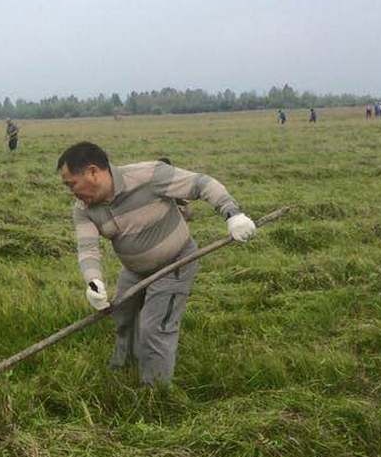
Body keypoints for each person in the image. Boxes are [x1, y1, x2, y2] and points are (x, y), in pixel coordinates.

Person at [58, 141, 256, 386]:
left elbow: (202, 183)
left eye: (71, 184)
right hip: (134, 271)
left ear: (92, 172)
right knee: (123, 317)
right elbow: (88, 248)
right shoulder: (83, 209)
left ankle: (155, 391)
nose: (71, 192)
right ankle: (124, 369)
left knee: (155, 328)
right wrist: (93, 281)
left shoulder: (148, 175)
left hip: (176, 263)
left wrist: (233, 214)